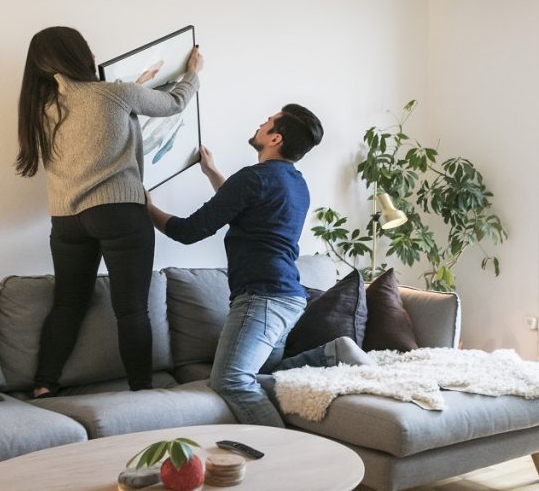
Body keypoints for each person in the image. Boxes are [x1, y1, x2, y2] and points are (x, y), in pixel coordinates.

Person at [147, 105, 373, 427]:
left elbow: (188, 231)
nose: (260, 124)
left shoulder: (253, 179)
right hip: (289, 296)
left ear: (275, 138)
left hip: (262, 296)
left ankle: (281, 453)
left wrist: (147, 208)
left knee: (231, 381)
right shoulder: (296, 183)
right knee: (266, 377)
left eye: (267, 123)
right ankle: (332, 353)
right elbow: (242, 203)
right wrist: (212, 171)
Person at [15, 26, 203, 396]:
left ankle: (43, 383)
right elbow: (174, 104)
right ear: (79, 54)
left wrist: (139, 83)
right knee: (131, 309)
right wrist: (192, 72)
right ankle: (141, 388)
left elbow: (96, 114)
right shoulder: (114, 94)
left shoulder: (42, 110)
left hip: (66, 219)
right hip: (119, 211)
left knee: (68, 304)